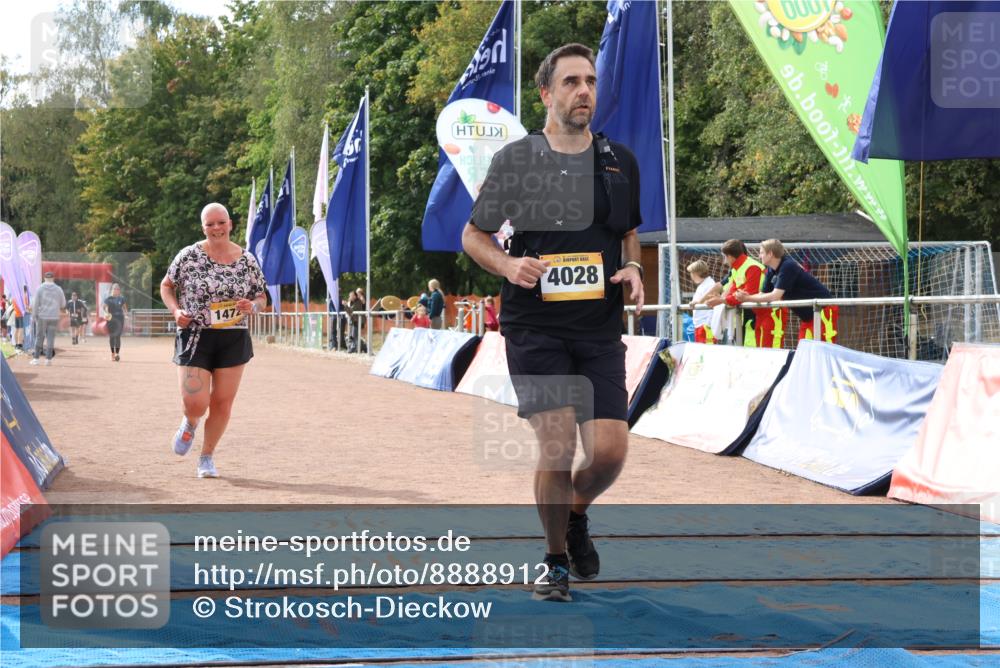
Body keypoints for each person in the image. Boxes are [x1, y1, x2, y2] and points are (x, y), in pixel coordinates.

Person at [462, 43, 644, 602]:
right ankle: (555, 561)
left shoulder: (619, 160)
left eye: (589, 81)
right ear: (546, 94)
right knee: (559, 445)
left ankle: (576, 514)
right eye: (570, 82)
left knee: (610, 452)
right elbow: (473, 236)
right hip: (534, 327)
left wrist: (634, 266)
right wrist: (509, 263)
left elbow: (627, 232)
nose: (583, 90)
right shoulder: (518, 160)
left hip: (598, 329)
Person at [160, 202, 267, 478]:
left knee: (222, 402)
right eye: (210, 224)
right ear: (203, 227)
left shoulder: (247, 260)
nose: (216, 228)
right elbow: (167, 286)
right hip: (195, 334)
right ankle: (190, 422)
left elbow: (262, 297)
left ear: (230, 224)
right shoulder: (188, 256)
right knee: (195, 402)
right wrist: (176, 311)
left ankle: (206, 457)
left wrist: (251, 307)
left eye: (221, 222)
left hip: (233, 337)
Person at [736, 238, 837, 343]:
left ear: (770, 254)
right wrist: (746, 296)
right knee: (804, 350)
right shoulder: (771, 269)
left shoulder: (788, 266)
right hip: (809, 316)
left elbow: (775, 295)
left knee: (822, 349)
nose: (759, 256)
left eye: (761, 252)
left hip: (823, 311)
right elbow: (763, 294)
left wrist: (747, 298)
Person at [29, 272, 66, 366]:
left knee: (39, 337)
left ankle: (36, 359)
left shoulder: (40, 289)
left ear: (44, 279)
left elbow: (35, 304)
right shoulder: (58, 289)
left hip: (42, 316)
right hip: (54, 317)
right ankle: (48, 360)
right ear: (53, 278)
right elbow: (63, 304)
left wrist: (33, 316)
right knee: (50, 338)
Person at [687, 261, 717, 343]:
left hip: (706, 326)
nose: (691, 276)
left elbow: (712, 305)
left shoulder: (710, 284)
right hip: (700, 325)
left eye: (692, 273)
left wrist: (708, 325)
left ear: (697, 273)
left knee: (707, 353)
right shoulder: (703, 285)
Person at [103, 283, 129, 361]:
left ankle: (117, 353)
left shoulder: (122, 298)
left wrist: (126, 314)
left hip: (120, 319)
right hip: (111, 319)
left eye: (118, 289)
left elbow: (125, 308)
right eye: (115, 289)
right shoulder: (108, 298)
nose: (116, 290)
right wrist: (107, 312)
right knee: (112, 337)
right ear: (112, 290)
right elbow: (104, 307)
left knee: (117, 336)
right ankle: (112, 354)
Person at [347, 288, 367, 353]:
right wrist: (348, 303)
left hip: (358, 320)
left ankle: (355, 348)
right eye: (349, 296)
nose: (350, 297)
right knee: (353, 335)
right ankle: (363, 347)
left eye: (351, 295)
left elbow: (350, 311)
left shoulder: (359, 301)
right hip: (354, 320)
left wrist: (345, 305)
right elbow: (349, 310)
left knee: (354, 335)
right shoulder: (352, 302)